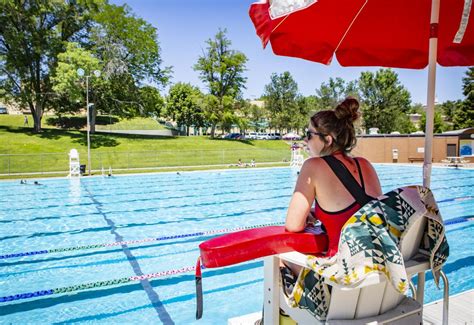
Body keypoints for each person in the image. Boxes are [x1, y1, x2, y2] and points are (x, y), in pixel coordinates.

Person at [284, 97, 382, 276]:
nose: (305, 141)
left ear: (327, 140)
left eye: (309, 134)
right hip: (377, 273)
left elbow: (293, 226)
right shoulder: (365, 165)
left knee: (282, 259)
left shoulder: (313, 166)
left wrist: (310, 215)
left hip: (344, 277)